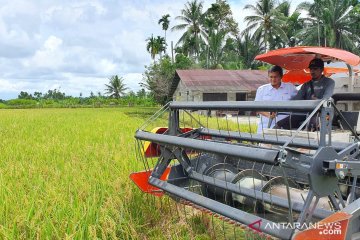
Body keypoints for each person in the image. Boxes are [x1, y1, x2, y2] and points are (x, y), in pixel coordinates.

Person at [275, 58, 335, 130]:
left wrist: (317, 100)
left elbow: (326, 99)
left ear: (322, 69)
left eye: (315, 69)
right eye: (311, 69)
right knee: (280, 124)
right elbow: (296, 99)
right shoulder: (306, 85)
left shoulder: (329, 82)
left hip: (322, 113)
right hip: (306, 113)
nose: (312, 71)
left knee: (312, 124)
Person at [255, 65, 297, 133]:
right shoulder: (262, 89)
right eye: (271, 77)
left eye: (275, 77)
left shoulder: (290, 88)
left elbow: (299, 101)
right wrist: (268, 115)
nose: (273, 79)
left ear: (281, 76)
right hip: (265, 128)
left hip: (284, 129)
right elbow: (256, 108)